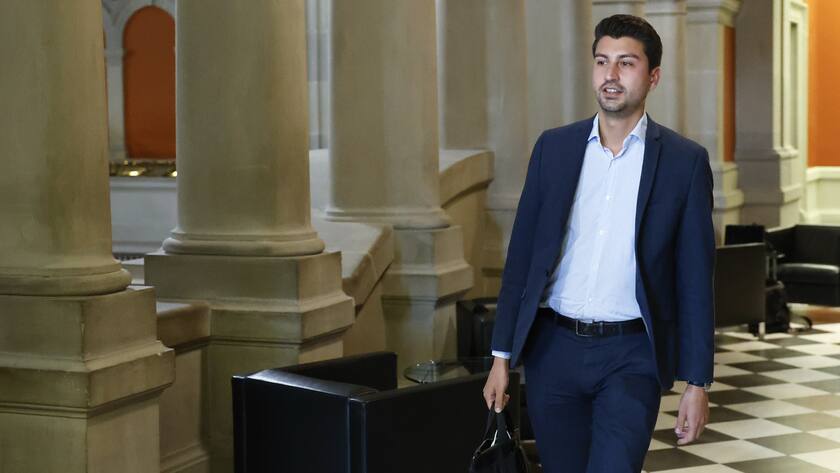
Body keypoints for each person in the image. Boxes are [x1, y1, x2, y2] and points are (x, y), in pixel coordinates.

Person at [482, 14, 715, 473]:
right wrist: (501, 356)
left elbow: (695, 278)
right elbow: (523, 259)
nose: (610, 75)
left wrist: (698, 382)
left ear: (653, 77)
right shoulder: (554, 148)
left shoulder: (683, 163)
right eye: (602, 61)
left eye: (626, 63)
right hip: (554, 350)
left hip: (631, 356)